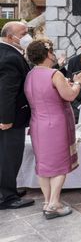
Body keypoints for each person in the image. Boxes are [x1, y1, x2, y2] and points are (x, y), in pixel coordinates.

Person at [24, 39, 81, 219]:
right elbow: (69, 95)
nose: (53, 55)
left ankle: (47, 201)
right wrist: (78, 83)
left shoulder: (30, 74)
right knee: (60, 165)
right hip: (56, 124)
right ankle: (53, 204)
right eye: (51, 52)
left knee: (43, 165)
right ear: (47, 55)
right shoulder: (54, 74)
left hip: (37, 123)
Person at [0, 22, 34, 211]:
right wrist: (6, 119)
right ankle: (7, 196)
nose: (27, 36)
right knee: (9, 156)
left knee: (5, 155)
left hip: (7, 115)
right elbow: (7, 91)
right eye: (24, 33)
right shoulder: (10, 57)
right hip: (10, 117)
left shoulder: (6, 52)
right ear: (11, 37)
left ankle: (8, 189)